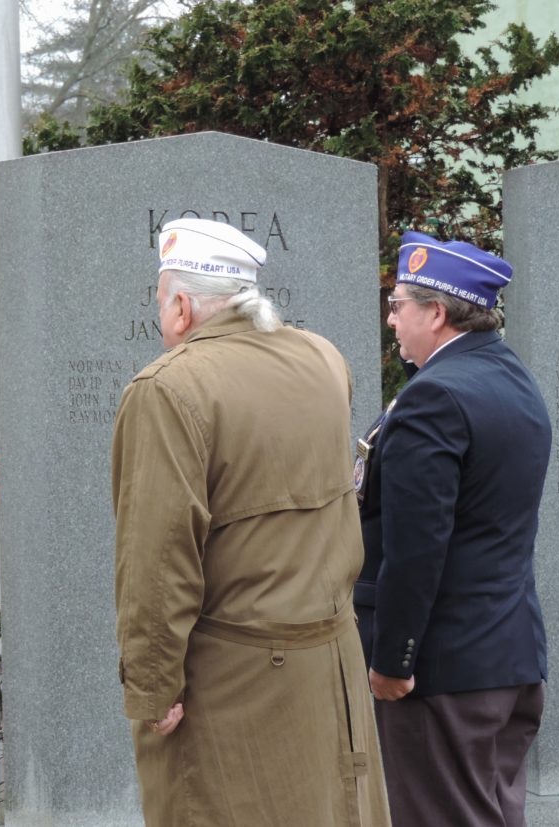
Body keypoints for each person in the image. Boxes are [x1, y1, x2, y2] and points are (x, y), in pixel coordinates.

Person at [111, 217, 390, 826]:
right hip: (331, 666)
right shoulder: (322, 358)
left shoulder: (169, 388)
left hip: (232, 683)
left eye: (162, 301)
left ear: (181, 307)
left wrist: (154, 686)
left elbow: (159, 559)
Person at [354, 231, 551, 827]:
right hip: (507, 656)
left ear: (436, 314)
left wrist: (394, 659)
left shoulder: (434, 397)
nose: (391, 321)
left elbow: (417, 549)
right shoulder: (512, 379)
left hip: (440, 671)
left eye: (398, 306)